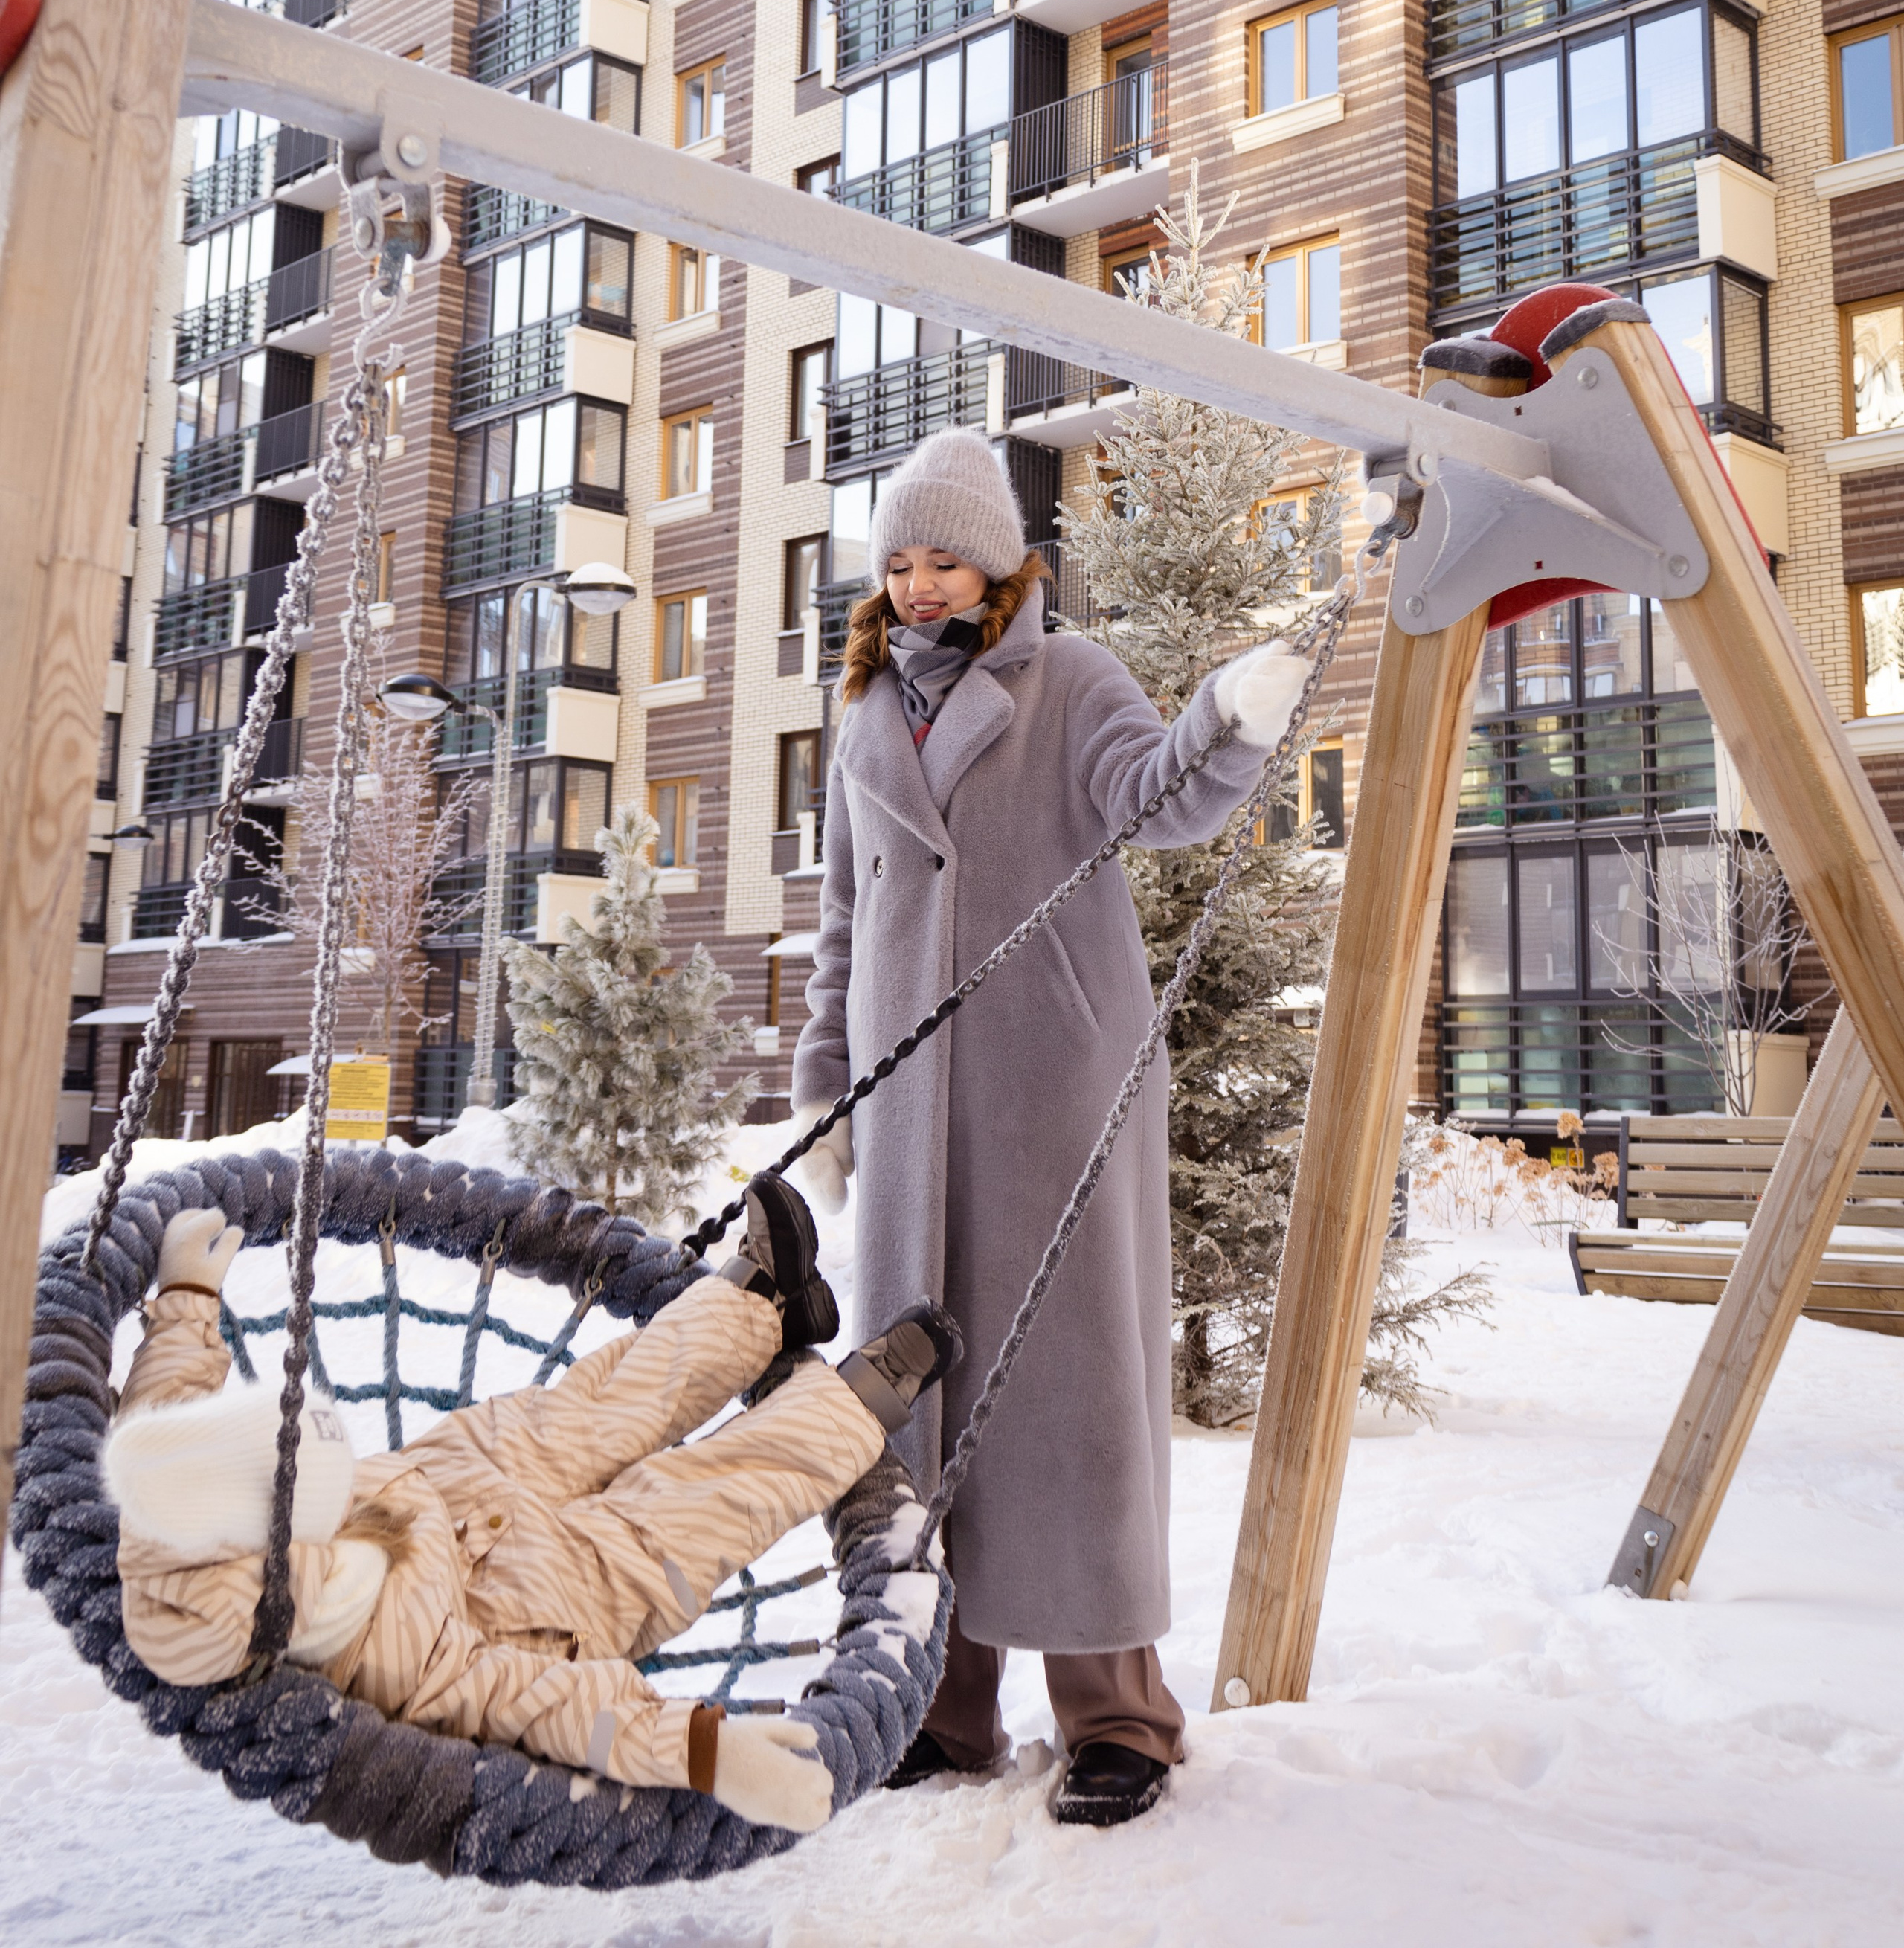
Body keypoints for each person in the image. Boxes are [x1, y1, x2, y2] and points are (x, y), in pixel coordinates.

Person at [790, 428, 1310, 1827]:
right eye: (898, 562)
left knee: (1066, 1398)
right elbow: (843, 922)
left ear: (1002, 563)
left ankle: (1114, 1715)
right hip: (906, 1106)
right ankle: (940, 1705)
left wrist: (1232, 709)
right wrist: (824, 1085)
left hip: (1051, 1085)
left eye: (942, 558)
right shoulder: (860, 715)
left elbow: (1169, 803)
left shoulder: (1068, 680)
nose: (916, 585)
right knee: (917, 1403)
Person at [105, 1175, 959, 1833]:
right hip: (549, 1603)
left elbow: (166, 1428)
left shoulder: (172, 1518)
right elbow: (550, 1707)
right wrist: (706, 1750)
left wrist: (186, 1303)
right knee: (704, 1499)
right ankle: (855, 1403)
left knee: (607, 1399)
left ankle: (763, 1301)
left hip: (451, 1479)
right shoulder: (413, 1663)